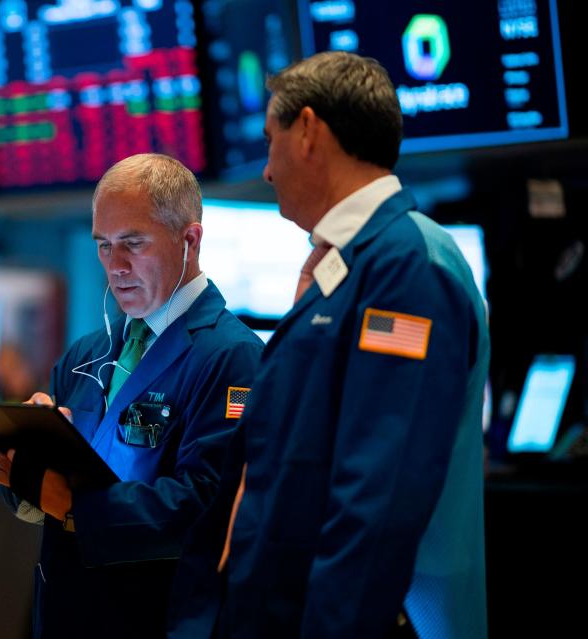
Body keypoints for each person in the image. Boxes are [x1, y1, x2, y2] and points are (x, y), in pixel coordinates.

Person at [167, 51, 490, 639]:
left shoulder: (408, 267)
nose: (265, 169)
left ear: (310, 131)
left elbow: (379, 493)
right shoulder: (345, 266)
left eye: (271, 139)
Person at [0, 153, 263, 638]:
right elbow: (47, 497)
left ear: (189, 240)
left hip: (156, 616)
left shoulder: (232, 357)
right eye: (104, 246)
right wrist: (24, 466)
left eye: (133, 243)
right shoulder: (86, 354)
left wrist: (73, 505)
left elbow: (208, 504)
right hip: (68, 611)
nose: (116, 266)